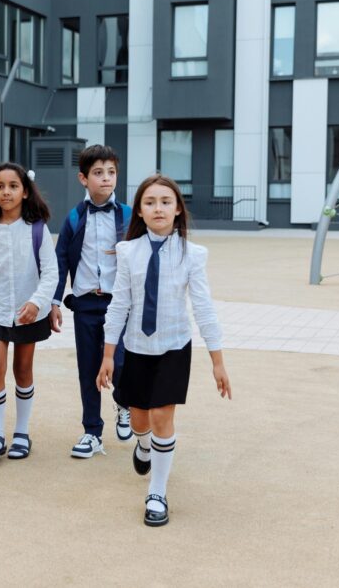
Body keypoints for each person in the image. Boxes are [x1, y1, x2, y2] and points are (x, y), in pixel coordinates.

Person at [97, 174, 232, 527]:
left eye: (166, 202)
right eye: (150, 202)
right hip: (137, 346)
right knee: (140, 418)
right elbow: (119, 304)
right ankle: (143, 446)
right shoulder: (128, 252)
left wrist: (217, 361)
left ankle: (157, 491)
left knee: (162, 418)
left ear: (177, 210)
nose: (158, 208)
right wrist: (109, 354)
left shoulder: (193, 255)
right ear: (139, 211)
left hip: (174, 345)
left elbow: (203, 307)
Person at [0, 163, 57, 463]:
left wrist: (37, 303)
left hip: (27, 313)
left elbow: (51, 274)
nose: (6, 191)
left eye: (13, 186)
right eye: (0, 186)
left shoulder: (37, 229)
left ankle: (21, 432)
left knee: (22, 369)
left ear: (25, 191)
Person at [50, 144, 133, 459]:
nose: (106, 178)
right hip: (85, 304)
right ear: (83, 178)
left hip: (119, 305)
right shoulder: (74, 217)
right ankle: (92, 432)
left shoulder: (127, 215)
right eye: (98, 173)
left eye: (111, 172)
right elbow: (60, 261)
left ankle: (123, 404)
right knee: (88, 369)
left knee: (122, 361)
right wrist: (55, 302)